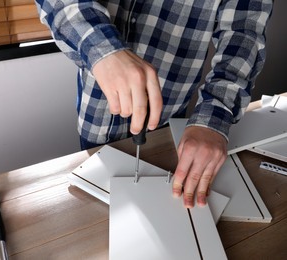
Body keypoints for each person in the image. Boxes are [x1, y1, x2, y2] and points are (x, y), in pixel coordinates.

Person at [35, 0, 273, 208]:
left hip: (173, 115)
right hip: (97, 112)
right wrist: (102, 50)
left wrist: (214, 117)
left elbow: (244, 31)